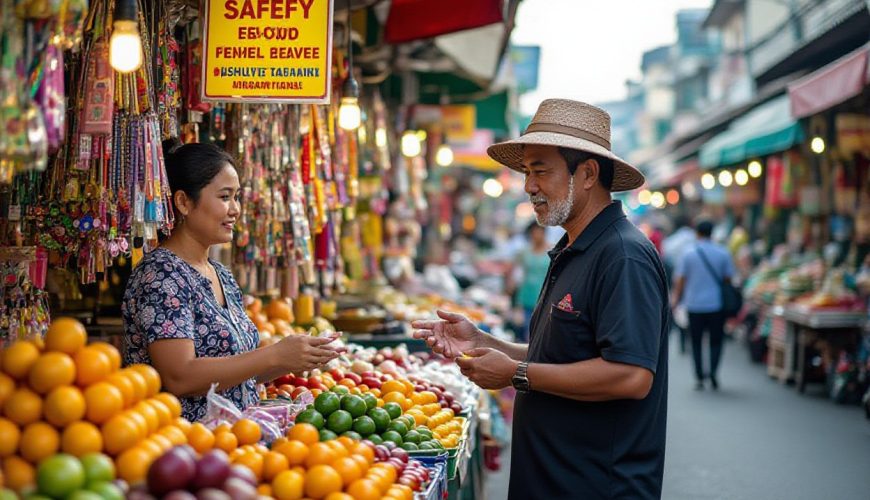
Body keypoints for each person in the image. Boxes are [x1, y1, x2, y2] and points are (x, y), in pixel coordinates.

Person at [412, 99, 670, 499]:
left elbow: (631, 375)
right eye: (527, 172)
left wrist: (517, 374)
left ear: (587, 174)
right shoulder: (574, 248)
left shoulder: (622, 256)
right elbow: (561, 356)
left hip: (595, 487)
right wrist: (484, 342)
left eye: (540, 171)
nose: (529, 186)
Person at [122, 140, 339, 422]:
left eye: (237, 197)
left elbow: (239, 371)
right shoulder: (161, 275)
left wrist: (295, 356)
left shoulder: (220, 274)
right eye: (225, 197)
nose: (235, 209)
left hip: (234, 438)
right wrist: (274, 355)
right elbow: (180, 377)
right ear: (184, 202)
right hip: (184, 439)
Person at [671, 219, 736, 391]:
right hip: (716, 304)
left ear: (697, 233)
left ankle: (699, 376)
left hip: (694, 305)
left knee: (696, 341)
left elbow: (680, 280)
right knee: (716, 340)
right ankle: (713, 372)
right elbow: (728, 278)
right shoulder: (723, 252)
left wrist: (676, 299)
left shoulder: (688, 253)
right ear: (712, 233)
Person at [513, 222, 550, 342]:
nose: (536, 235)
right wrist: (518, 305)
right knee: (527, 333)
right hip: (527, 298)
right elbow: (519, 277)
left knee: (541, 335)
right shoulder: (525, 253)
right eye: (533, 233)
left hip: (545, 299)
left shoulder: (552, 251)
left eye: (538, 232)